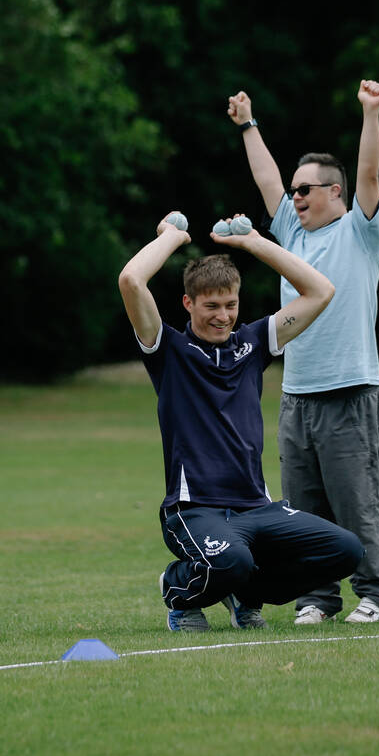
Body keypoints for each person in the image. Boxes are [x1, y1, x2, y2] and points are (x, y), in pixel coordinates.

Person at [119, 212, 363, 631]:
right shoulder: (168, 351)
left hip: (256, 507)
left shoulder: (253, 343)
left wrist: (253, 242)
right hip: (195, 510)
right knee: (232, 559)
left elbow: (320, 290)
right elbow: (130, 281)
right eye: (211, 306)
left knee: (345, 550)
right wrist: (173, 237)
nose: (223, 316)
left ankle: (244, 594)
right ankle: (179, 591)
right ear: (188, 303)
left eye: (230, 305)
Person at [226, 80, 379, 625]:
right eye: (295, 191)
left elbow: (369, 173)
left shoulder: (361, 232)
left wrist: (370, 113)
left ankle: (377, 593)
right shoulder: (292, 235)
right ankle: (317, 598)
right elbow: (266, 179)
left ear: (334, 193)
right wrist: (248, 124)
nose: (295, 198)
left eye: (306, 190)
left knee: (357, 508)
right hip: (297, 399)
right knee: (304, 514)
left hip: (350, 394)